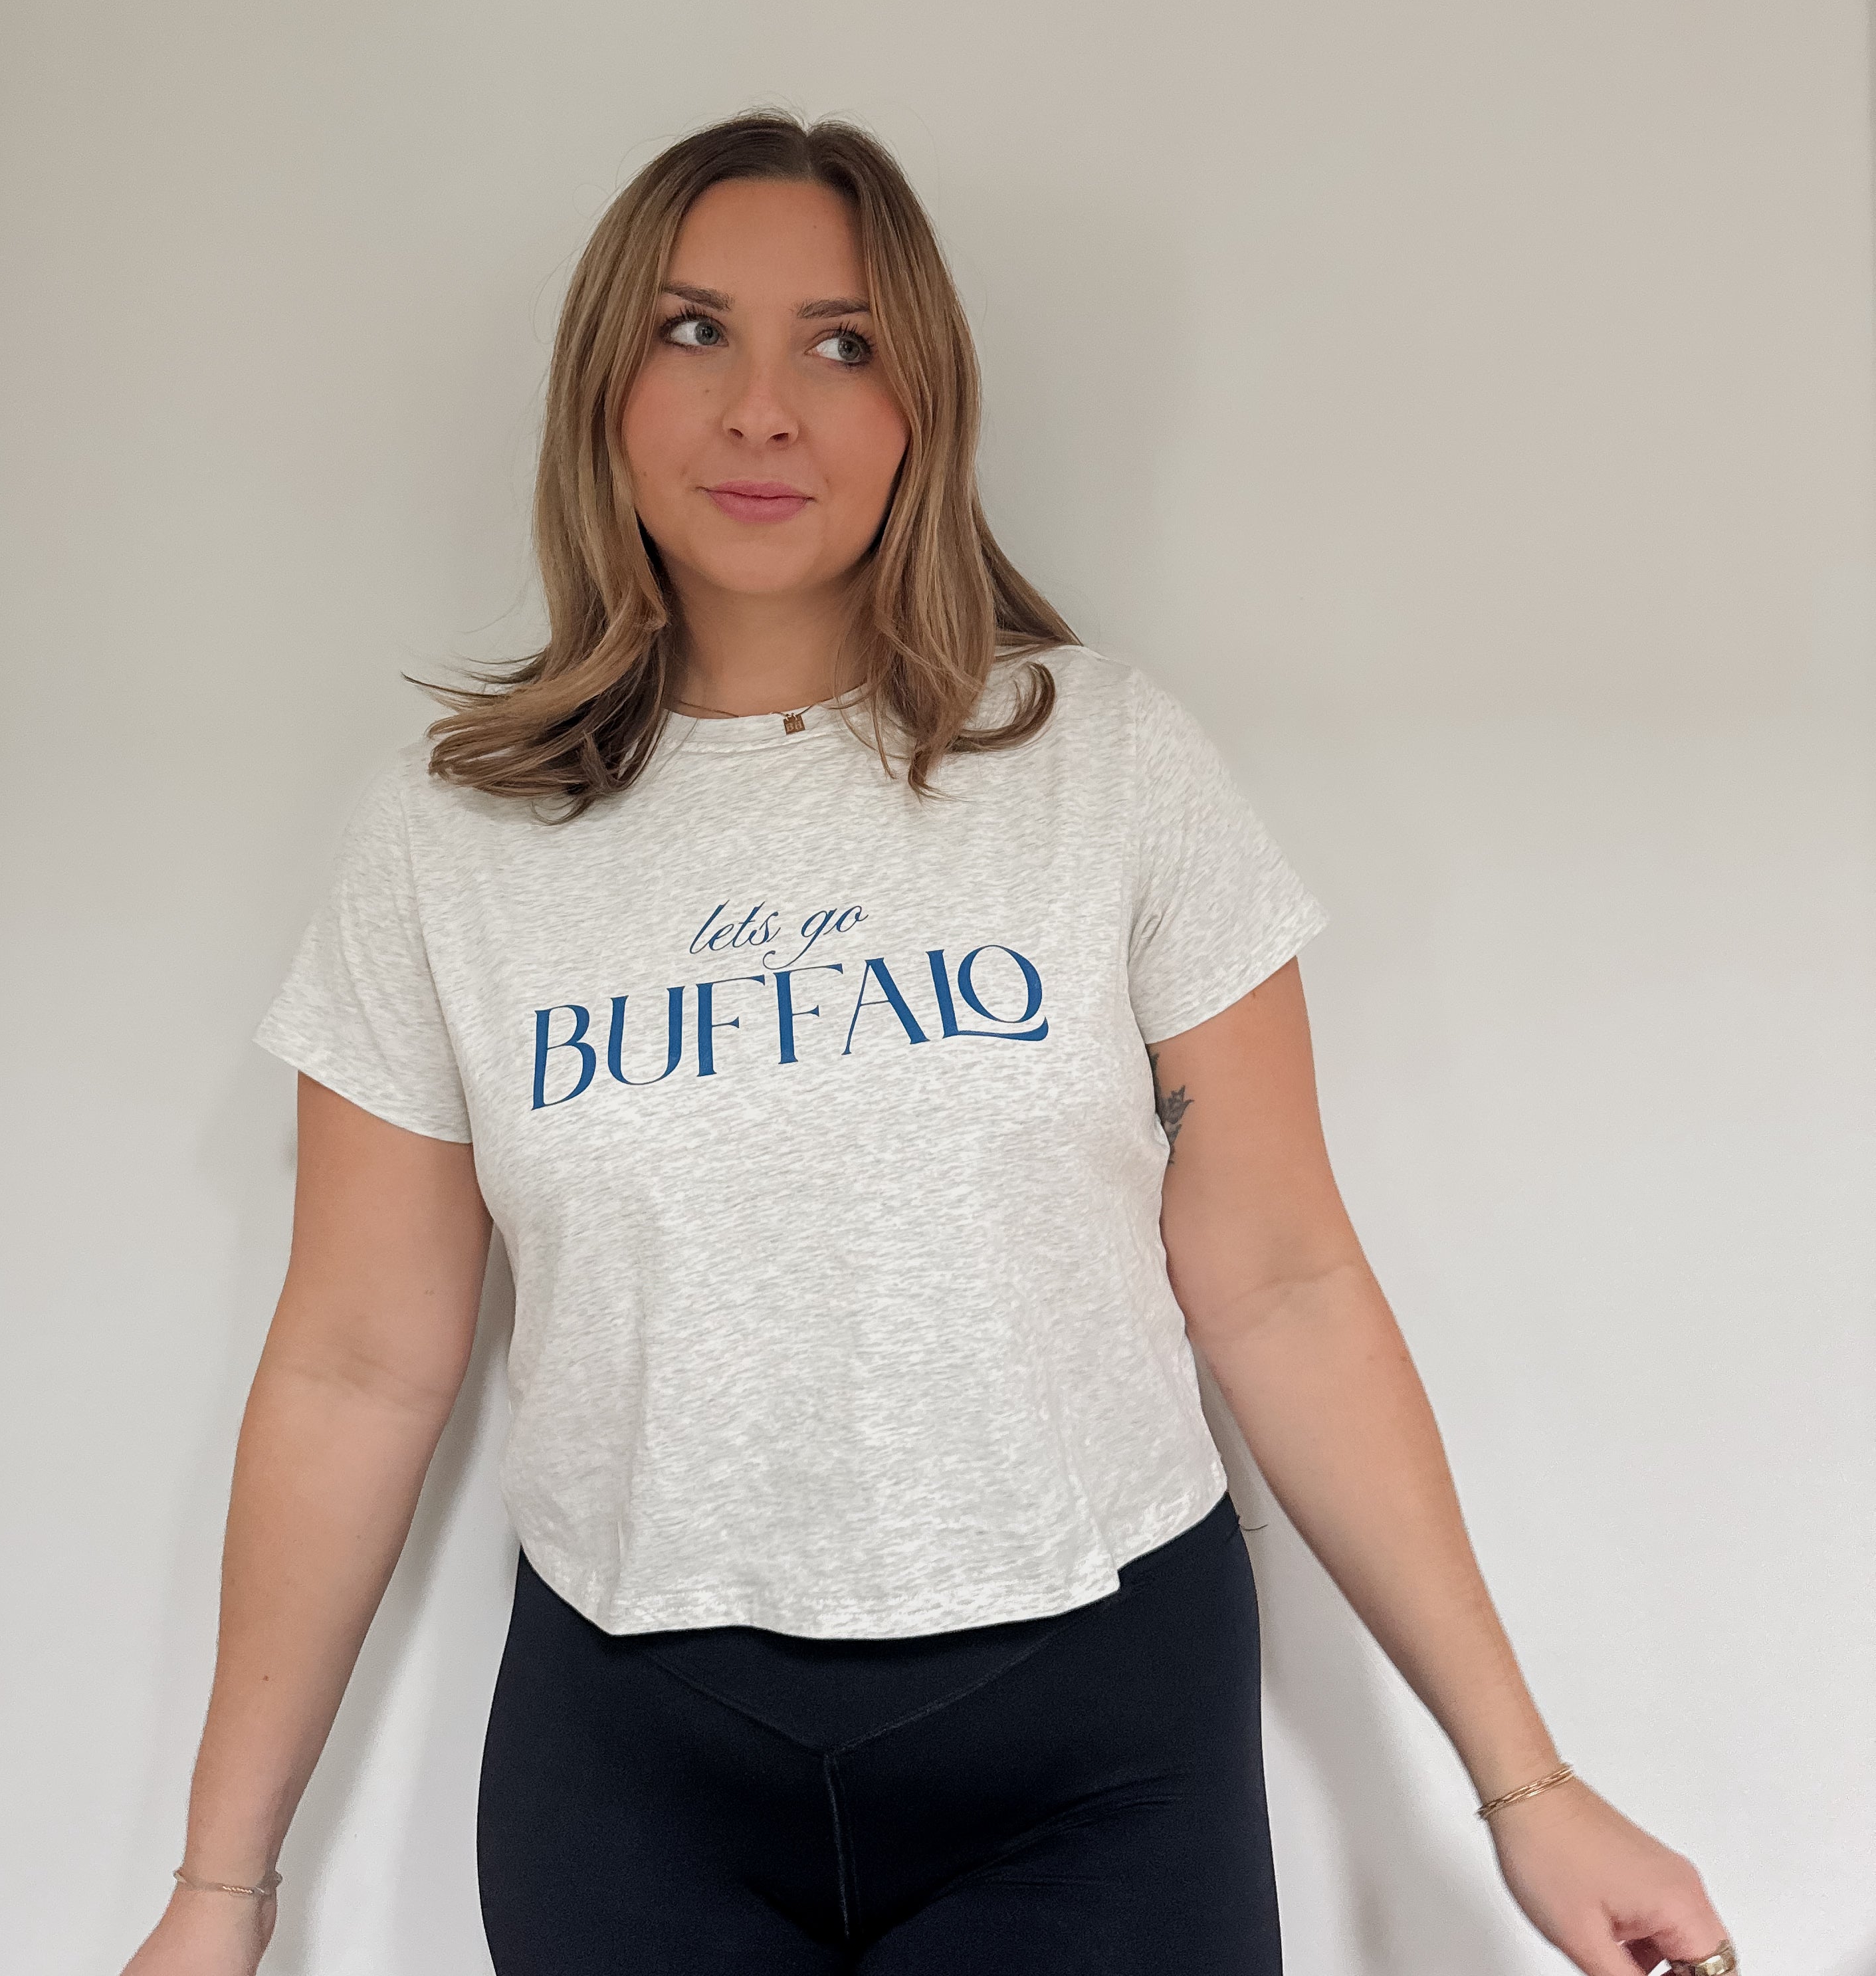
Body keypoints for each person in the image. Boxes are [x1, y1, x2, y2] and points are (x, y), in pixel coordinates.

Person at [120, 110, 1736, 1976]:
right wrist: (220, 1892)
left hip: (1091, 1753)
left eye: (842, 344)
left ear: (924, 409)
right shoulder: (453, 837)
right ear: (601, 388)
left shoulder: (1101, 762)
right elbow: (354, 1365)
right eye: (693, 330)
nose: (762, 411)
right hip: (639, 1772)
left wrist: (1528, 1786)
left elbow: (1283, 1282)